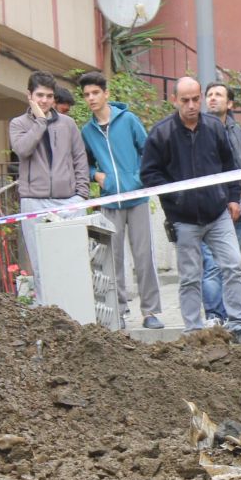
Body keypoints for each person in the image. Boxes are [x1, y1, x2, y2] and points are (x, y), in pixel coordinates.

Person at [140, 77, 241, 342]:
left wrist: (234, 196)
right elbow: (149, 174)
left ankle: (238, 325)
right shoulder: (162, 133)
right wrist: (176, 196)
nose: (191, 105)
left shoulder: (214, 127)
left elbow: (230, 165)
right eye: (185, 100)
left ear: (200, 97)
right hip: (184, 220)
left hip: (217, 214)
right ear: (174, 100)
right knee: (190, 277)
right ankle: (192, 331)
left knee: (234, 266)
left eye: (195, 99)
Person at [79, 71, 164, 330]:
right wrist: (98, 176)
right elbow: (85, 164)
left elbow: (148, 150)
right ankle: (119, 311)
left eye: (95, 93)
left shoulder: (128, 120)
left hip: (136, 198)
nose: (91, 98)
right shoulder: (87, 131)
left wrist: (139, 178)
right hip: (109, 201)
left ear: (106, 94)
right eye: (86, 95)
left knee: (143, 257)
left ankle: (150, 311)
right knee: (112, 259)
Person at [9, 71, 91, 277]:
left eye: (48, 96)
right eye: (39, 95)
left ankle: (72, 308)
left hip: (68, 202)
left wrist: (81, 194)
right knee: (41, 266)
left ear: (54, 97)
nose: (44, 100)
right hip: (34, 202)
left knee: (72, 262)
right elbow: (23, 149)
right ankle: (46, 308)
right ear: (30, 96)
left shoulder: (67, 124)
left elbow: (80, 158)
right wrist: (40, 121)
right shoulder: (18, 124)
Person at [201, 82, 241, 324]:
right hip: (209, 205)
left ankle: (234, 317)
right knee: (211, 263)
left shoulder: (237, 131)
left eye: (218, 95)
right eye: (209, 95)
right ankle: (214, 315)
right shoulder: (199, 130)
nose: (212, 98)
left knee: (232, 263)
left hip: (237, 203)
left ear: (229, 103)